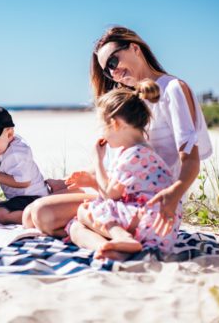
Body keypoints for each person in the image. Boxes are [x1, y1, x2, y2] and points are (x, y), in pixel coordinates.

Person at [23, 26, 212, 244]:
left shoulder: (172, 89)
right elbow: (121, 162)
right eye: (107, 70)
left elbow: (190, 160)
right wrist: (72, 182)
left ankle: (93, 232)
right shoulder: (131, 99)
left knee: (41, 214)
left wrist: (174, 195)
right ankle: (91, 231)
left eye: (113, 62)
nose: (113, 73)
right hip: (120, 192)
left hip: (149, 199)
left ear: (135, 48)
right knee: (31, 215)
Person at [67, 80, 179, 260]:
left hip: (146, 221)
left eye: (103, 127)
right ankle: (109, 249)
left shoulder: (131, 155)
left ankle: (122, 237)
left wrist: (97, 160)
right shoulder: (147, 151)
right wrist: (93, 182)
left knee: (85, 210)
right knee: (75, 227)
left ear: (116, 124)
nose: (102, 134)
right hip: (161, 231)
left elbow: (111, 194)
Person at [0, 106, 49, 224]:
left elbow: (24, 182)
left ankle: (37, 217)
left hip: (32, 197)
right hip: (20, 198)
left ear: (10, 134)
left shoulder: (17, 153)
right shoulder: (2, 145)